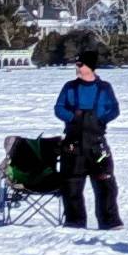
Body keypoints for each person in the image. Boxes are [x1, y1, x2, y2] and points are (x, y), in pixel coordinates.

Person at [53, 50, 123, 230]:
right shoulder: (69, 87)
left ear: (90, 67)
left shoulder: (104, 88)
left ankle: (110, 223)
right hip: (73, 145)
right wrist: (73, 118)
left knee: (106, 185)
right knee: (71, 186)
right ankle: (74, 222)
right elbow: (59, 108)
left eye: (79, 64)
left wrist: (99, 119)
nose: (76, 68)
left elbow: (114, 110)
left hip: (96, 145)